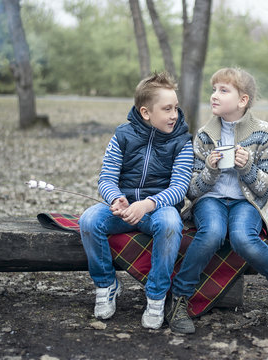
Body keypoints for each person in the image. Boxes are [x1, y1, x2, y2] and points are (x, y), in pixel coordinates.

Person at [167, 67, 268, 335]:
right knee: (213, 233)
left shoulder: (265, 133)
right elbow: (192, 191)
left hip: (246, 202)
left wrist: (248, 169)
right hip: (211, 200)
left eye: (223, 90)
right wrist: (210, 169)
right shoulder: (205, 135)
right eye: (213, 89)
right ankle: (180, 299)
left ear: (242, 100)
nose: (214, 96)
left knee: (243, 238)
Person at [78, 71, 194, 330]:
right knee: (88, 219)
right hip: (124, 209)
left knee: (170, 225)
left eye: (176, 107)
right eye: (166, 109)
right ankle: (106, 285)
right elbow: (106, 178)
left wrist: (148, 204)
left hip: (159, 210)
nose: (174, 115)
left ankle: (156, 295)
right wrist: (116, 198)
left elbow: (179, 188)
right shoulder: (122, 136)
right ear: (145, 112)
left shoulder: (183, 142)